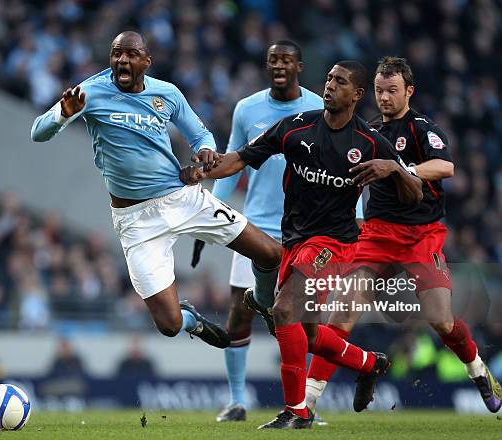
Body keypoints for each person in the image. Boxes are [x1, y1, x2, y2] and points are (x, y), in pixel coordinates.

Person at [181, 60, 423, 429]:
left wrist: (394, 169)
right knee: (307, 335)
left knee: (283, 310)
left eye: (339, 82)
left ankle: (297, 411)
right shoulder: (296, 127)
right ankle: (370, 364)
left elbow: (415, 194)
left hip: (336, 244)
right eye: (327, 79)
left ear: (357, 95)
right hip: (294, 238)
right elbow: (239, 159)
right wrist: (202, 170)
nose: (329, 86)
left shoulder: (372, 142)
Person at [31, 31, 282, 350]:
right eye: (116, 53)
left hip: (183, 199)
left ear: (146, 62)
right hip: (137, 221)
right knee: (169, 325)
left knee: (271, 253)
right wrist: (61, 115)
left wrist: (205, 151)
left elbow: (201, 135)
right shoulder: (89, 93)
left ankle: (261, 301)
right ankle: (193, 320)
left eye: (130, 54)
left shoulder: (168, 94)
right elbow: (38, 132)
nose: (121, 59)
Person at [305, 56, 502, 414]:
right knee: (340, 314)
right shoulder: (367, 132)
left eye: (392, 90)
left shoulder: (422, 128)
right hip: (376, 235)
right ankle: (306, 403)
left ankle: (476, 368)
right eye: (380, 91)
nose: (384, 97)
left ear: (409, 91)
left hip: (421, 236)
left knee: (440, 320)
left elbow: (446, 166)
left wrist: (400, 168)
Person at [192, 40, 345, 423]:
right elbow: (234, 162)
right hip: (256, 227)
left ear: (299, 66)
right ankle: (236, 401)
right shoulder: (247, 109)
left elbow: (341, 165)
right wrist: (205, 215)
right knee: (239, 313)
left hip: (307, 231)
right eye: (273, 59)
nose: (279, 65)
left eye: (286, 60)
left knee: (306, 321)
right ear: (267, 65)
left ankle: (304, 405)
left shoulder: (317, 108)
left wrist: (354, 215)